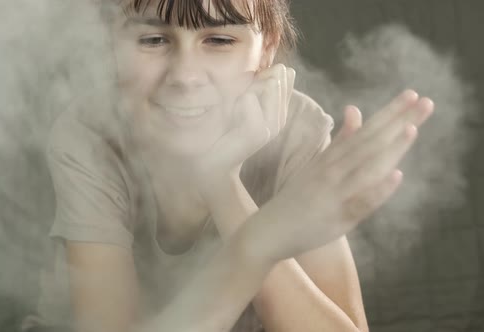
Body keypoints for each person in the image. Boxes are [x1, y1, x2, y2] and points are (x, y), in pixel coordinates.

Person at [23, 0, 435, 331]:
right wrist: (259, 241)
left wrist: (222, 184)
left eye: (219, 40)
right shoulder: (90, 136)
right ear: (114, 41)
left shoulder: (298, 131)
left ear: (268, 45)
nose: (184, 76)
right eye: (153, 40)